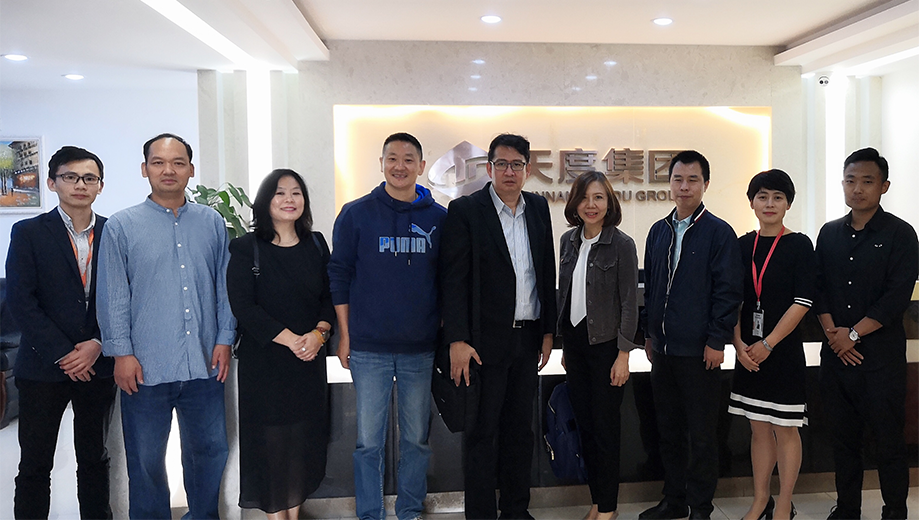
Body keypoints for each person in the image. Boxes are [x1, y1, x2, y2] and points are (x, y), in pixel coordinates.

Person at [97, 133, 236, 519]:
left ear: (191, 169)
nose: (168, 170)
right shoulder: (122, 226)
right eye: (158, 162)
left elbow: (225, 286)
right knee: (146, 462)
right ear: (145, 169)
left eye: (178, 162)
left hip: (205, 365)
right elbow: (113, 295)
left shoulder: (212, 222)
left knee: (210, 452)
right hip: (144, 368)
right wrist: (121, 353)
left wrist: (225, 338)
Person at [328, 132, 446, 520]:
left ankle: (410, 511)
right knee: (368, 442)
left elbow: (448, 280)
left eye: (408, 159)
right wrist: (344, 336)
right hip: (368, 348)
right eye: (392, 158)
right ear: (381, 164)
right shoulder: (355, 214)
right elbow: (339, 275)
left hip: (420, 348)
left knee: (416, 440)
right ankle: (370, 513)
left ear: (421, 166)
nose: (400, 166)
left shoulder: (439, 219)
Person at [440, 133, 557, 520]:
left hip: (527, 339)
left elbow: (545, 271)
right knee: (482, 433)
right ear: (489, 169)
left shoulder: (538, 208)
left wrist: (548, 331)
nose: (510, 171)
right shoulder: (466, 210)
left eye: (517, 164)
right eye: (502, 164)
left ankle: (516, 510)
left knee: (520, 432)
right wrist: (457, 339)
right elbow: (453, 280)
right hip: (481, 344)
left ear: (528, 169)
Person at [6, 146, 116, 519]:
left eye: (89, 178)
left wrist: (97, 343)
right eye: (70, 177)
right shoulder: (28, 233)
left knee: (95, 459)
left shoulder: (115, 232)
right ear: (53, 183)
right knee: (35, 464)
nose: (80, 185)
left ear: (100, 186)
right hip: (43, 368)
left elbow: (124, 297)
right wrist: (65, 354)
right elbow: (21, 300)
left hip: (98, 366)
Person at [815, 148, 918, 520]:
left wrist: (853, 335)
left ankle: (895, 511)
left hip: (880, 361)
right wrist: (835, 336)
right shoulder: (829, 233)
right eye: (850, 180)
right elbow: (819, 290)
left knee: (888, 442)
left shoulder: (901, 234)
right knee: (844, 441)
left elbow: (896, 298)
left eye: (867, 181)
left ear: (884, 186)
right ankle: (847, 509)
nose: (857, 189)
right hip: (837, 359)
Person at [639, 150, 742, 520]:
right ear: (669, 184)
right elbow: (651, 287)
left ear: (705, 184)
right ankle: (674, 500)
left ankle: (700, 507)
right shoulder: (658, 231)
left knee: (701, 435)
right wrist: (649, 334)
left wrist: (717, 340)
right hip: (663, 352)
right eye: (678, 179)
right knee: (668, 431)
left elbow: (728, 292)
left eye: (692, 180)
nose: (684, 187)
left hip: (701, 353)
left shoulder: (719, 232)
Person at [227, 169, 334, 518]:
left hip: (308, 362)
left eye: (296, 193)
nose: (289, 199)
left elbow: (329, 297)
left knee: (303, 442)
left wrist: (318, 335)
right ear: (265, 201)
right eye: (280, 193)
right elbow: (244, 307)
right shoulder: (246, 247)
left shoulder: (316, 244)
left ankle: (294, 514)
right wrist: (293, 341)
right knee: (271, 444)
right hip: (265, 364)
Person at [728, 169, 815, 520]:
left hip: (782, 353)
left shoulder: (799, 245)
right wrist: (738, 343)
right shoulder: (741, 245)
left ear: (788, 204)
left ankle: (783, 504)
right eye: (762, 196)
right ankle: (760, 499)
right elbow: (732, 299)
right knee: (758, 428)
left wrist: (768, 343)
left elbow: (802, 302)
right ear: (751, 202)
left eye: (778, 197)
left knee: (785, 429)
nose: (769, 203)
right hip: (748, 354)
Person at [556, 171, 639, 520]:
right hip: (575, 346)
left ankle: (608, 508)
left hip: (606, 348)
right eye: (584, 198)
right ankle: (597, 500)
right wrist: (562, 345)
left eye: (599, 198)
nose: (591, 205)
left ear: (609, 202)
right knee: (586, 429)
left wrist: (623, 355)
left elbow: (629, 303)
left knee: (605, 430)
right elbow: (564, 294)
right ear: (575, 203)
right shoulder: (568, 241)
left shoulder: (621, 244)